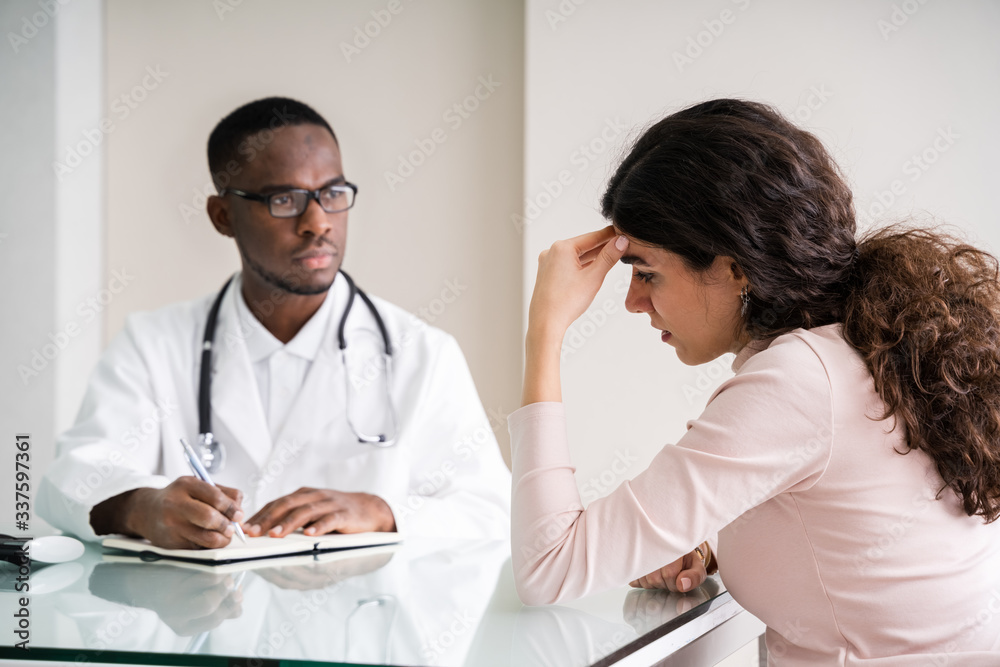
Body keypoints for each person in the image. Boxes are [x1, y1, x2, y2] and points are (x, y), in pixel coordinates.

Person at [509, 98, 1000, 663]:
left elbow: (547, 567)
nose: (632, 301)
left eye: (646, 272)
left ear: (734, 268)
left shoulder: (798, 382)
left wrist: (544, 330)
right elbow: (859, 544)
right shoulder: (863, 351)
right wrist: (711, 545)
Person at [39, 97, 510, 549]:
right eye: (284, 199)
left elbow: (494, 512)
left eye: (332, 194)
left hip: (359, 627)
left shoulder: (421, 353)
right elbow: (69, 480)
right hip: (202, 625)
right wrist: (142, 507)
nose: (317, 221)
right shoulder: (154, 345)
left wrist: (384, 511)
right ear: (223, 216)